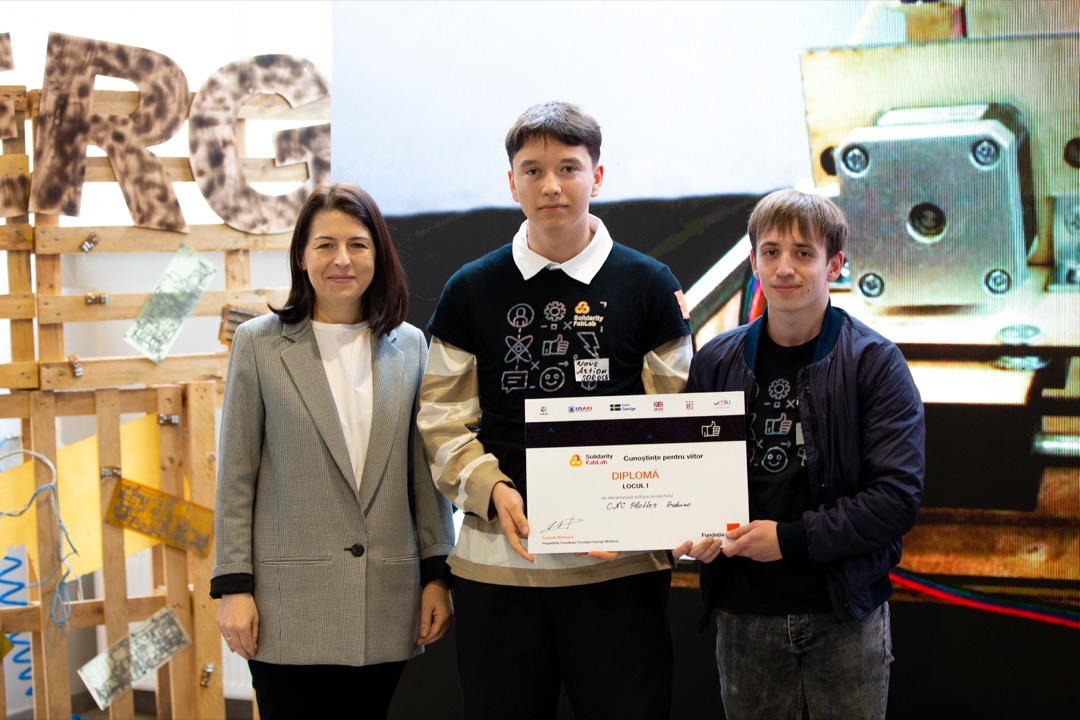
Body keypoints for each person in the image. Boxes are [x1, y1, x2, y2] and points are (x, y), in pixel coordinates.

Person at [417, 101, 693, 719]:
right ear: (511, 182)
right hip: (498, 572)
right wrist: (491, 489)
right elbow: (441, 417)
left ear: (598, 177)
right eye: (533, 169)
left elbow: (674, 418)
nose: (551, 185)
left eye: (568, 167)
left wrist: (629, 513)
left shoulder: (650, 284)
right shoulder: (470, 289)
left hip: (619, 573)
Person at [674, 188, 925, 719]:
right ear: (754, 262)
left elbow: (896, 500)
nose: (784, 268)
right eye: (771, 252)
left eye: (803, 253)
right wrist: (690, 527)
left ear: (834, 264)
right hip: (744, 614)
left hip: (843, 615)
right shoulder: (715, 362)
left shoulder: (875, 363)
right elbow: (688, 476)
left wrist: (789, 541)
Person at [211, 183, 455, 720]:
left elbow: (424, 473)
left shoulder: (411, 345)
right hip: (284, 604)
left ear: (378, 255)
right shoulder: (258, 343)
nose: (342, 259)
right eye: (325, 245)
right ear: (301, 256)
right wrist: (233, 586)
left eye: (358, 244)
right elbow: (235, 475)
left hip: (385, 597)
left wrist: (437, 574)